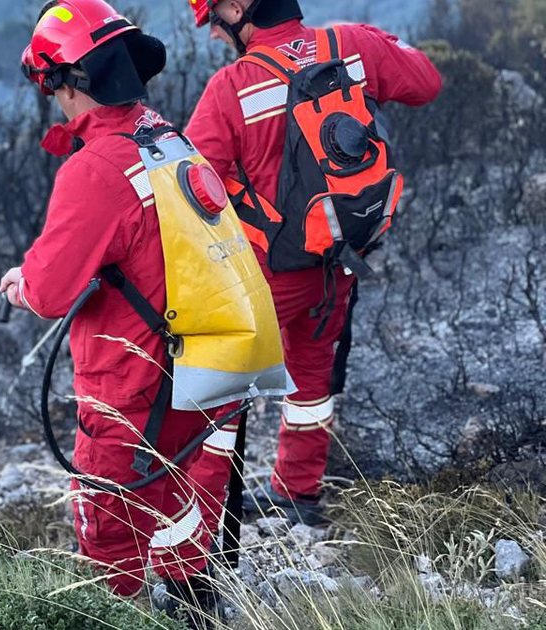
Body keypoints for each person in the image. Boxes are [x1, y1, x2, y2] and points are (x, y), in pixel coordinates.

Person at [1, 1, 288, 625]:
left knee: (109, 534)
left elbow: (49, 292)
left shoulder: (95, 170)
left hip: (133, 391)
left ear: (65, 81)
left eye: (51, 85)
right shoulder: (166, 137)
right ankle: (195, 611)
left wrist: (19, 283)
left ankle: (122, 618)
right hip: (210, 370)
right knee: (191, 509)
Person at [184, 0, 442, 525]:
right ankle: (299, 496)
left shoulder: (231, 88)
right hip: (337, 259)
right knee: (311, 379)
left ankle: (205, 516)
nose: (214, 35)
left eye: (214, 20)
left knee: (220, 393)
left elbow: (193, 191)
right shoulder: (350, 47)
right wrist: (373, 42)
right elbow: (426, 82)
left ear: (238, 9)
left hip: (265, 273)